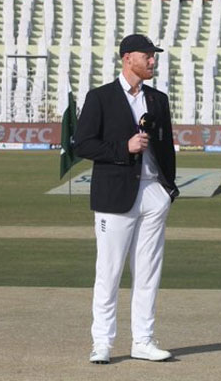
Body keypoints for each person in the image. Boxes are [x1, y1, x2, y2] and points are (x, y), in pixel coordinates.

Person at [74, 34, 178, 364]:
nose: (153, 61)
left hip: (153, 194)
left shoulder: (158, 99)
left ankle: (143, 341)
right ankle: (102, 342)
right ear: (127, 57)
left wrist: (167, 189)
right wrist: (124, 149)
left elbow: (166, 147)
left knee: (148, 272)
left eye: (154, 56)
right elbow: (83, 145)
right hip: (115, 195)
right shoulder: (100, 97)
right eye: (147, 55)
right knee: (109, 271)